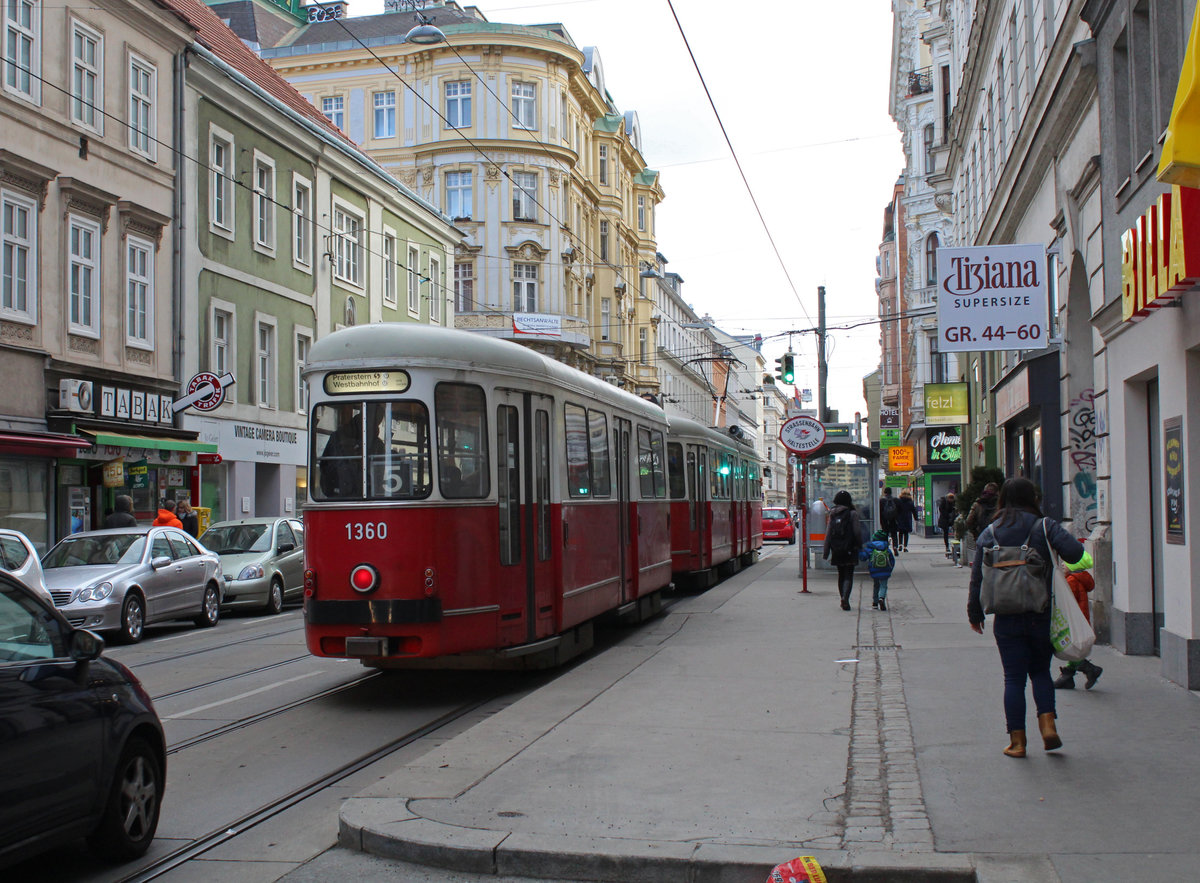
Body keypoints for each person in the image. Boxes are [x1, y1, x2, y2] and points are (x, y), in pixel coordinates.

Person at [967, 477, 1085, 758]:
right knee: (1041, 672)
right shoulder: (1044, 526)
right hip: (1039, 612)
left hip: (1006, 616)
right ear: (1032, 498)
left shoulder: (992, 531)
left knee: (1013, 679)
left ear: (1002, 499)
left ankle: (1017, 742)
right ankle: (1047, 727)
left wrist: (975, 612)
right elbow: (1076, 553)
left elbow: (977, 576)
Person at [1053, 549, 1103, 690]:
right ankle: (1068, 677)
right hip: (1080, 620)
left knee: (1070, 647)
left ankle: (1089, 669)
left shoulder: (1071, 581)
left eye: (1067, 562)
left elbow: (1065, 603)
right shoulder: (1079, 579)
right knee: (1073, 647)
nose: (1063, 564)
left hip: (1073, 622)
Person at [823, 490, 863, 611]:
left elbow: (828, 534)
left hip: (837, 548)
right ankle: (845, 598)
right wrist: (859, 545)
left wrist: (826, 552)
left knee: (841, 574)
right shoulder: (852, 513)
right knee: (848, 574)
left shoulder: (832, 513)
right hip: (850, 548)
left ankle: (842, 598)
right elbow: (857, 532)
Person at [860, 528, 896, 611]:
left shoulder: (871, 548)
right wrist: (890, 569)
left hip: (874, 570)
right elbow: (892, 561)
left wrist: (859, 551)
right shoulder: (887, 549)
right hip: (885, 570)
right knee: (883, 585)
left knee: (876, 585)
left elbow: (863, 557)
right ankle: (881, 598)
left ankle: (875, 603)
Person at [878, 487, 899, 553]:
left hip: (884, 520)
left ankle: (886, 548)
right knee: (894, 534)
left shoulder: (881, 500)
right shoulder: (895, 500)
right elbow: (899, 510)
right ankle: (895, 546)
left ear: (885, 492)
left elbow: (879, 511)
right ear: (891, 492)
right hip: (893, 520)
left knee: (885, 534)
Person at [937, 491, 957, 557]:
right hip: (945, 520)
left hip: (951, 519)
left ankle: (955, 545)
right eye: (950, 499)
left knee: (954, 532)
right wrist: (948, 515)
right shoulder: (944, 502)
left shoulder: (953, 502)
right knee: (946, 533)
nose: (951, 500)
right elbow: (941, 510)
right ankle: (947, 546)